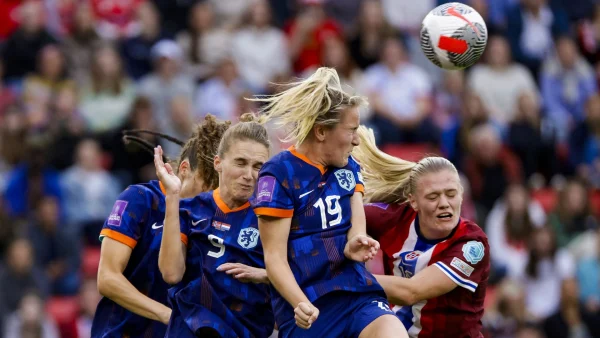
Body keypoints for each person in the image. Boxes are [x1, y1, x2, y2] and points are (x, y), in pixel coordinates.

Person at [250, 67, 407, 338]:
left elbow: (356, 224)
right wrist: (300, 303)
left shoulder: (348, 168)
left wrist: (356, 240)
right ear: (321, 131)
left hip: (357, 294)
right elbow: (274, 258)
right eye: (351, 130)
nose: (358, 140)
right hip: (309, 307)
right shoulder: (278, 174)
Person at [91, 114, 231, 338]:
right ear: (184, 169)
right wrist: (168, 315)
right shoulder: (140, 199)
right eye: (206, 187)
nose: (209, 197)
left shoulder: (215, 219)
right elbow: (107, 279)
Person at [352, 126, 491, 338]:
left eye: (451, 194)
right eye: (433, 197)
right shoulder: (394, 220)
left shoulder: (472, 244)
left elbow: (412, 291)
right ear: (413, 201)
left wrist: (345, 279)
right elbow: (344, 215)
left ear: (462, 195)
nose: (444, 204)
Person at [156, 113, 275, 338]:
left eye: (258, 166)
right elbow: (171, 274)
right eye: (241, 163)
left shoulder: (270, 218)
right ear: (218, 163)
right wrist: (172, 197)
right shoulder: (189, 210)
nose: (249, 175)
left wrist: (264, 274)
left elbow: (297, 280)